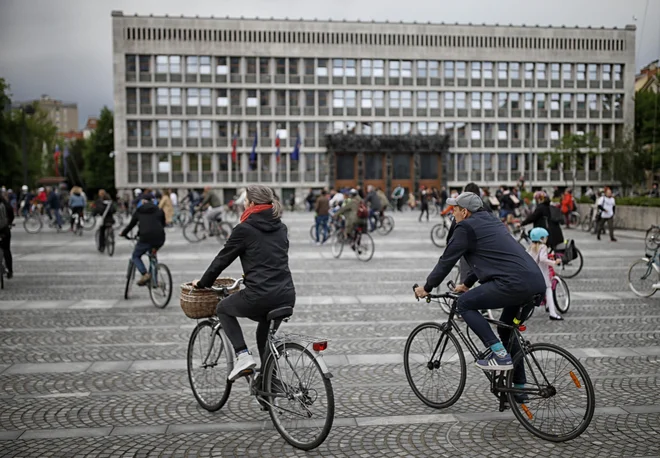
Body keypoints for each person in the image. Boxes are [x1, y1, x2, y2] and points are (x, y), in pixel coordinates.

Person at [415, 192, 546, 372]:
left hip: (513, 284)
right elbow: (489, 258)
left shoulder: (465, 227)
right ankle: (518, 390)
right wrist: (467, 284)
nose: (452, 213)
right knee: (507, 331)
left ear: (465, 212)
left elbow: (446, 260)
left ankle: (499, 355)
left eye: (455, 209)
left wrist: (427, 287)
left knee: (464, 304)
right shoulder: (492, 221)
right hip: (535, 282)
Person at [193, 185, 295, 381]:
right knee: (263, 335)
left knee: (223, 308)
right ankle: (268, 384)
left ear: (253, 204)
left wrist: (203, 283)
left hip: (260, 295)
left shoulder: (244, 229)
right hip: (286, 295)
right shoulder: (281, 227)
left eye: (245, 201)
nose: (244, 204)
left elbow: (222, 260)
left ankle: (242, 356)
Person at [120, 193, 166, 286]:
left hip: (145, 237)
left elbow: (131, 225)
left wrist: (123, 233)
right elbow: (163, 224)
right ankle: (154, 281)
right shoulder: (159, 210)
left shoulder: (139, 211)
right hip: (159, 238)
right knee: (153, 255)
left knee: (135, 256)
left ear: (143, 201)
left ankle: (145, 274)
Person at [527, 228, 563, 321]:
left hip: (532, 273)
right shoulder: (543, 247)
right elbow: (543, 259)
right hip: (542, 274)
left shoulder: (531, 247)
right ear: (542, 238)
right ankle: (553, 313)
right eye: (546, 237)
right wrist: (554, 262)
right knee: (549, 290)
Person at [0, 192, 15, 279]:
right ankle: (10, 271)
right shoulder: (5, 204)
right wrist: (9, 223)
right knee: (6, 249)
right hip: (4, 230)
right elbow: (11, 216)